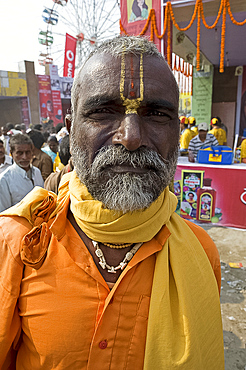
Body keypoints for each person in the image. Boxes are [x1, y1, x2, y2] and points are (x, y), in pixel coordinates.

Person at [0, 36, 224, 369]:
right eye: (104, 111)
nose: (131, 137)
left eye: (156, 113)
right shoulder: (20, 240)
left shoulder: (201, 252)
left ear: (177, 131)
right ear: (72, 128)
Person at [0, 134, 44, 212]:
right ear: (12, 153)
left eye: (27, 152)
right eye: (20, 153)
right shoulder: (4, 179)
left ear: (32, 152)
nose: (24, 157)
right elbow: (4, 213)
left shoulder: (36, 172)